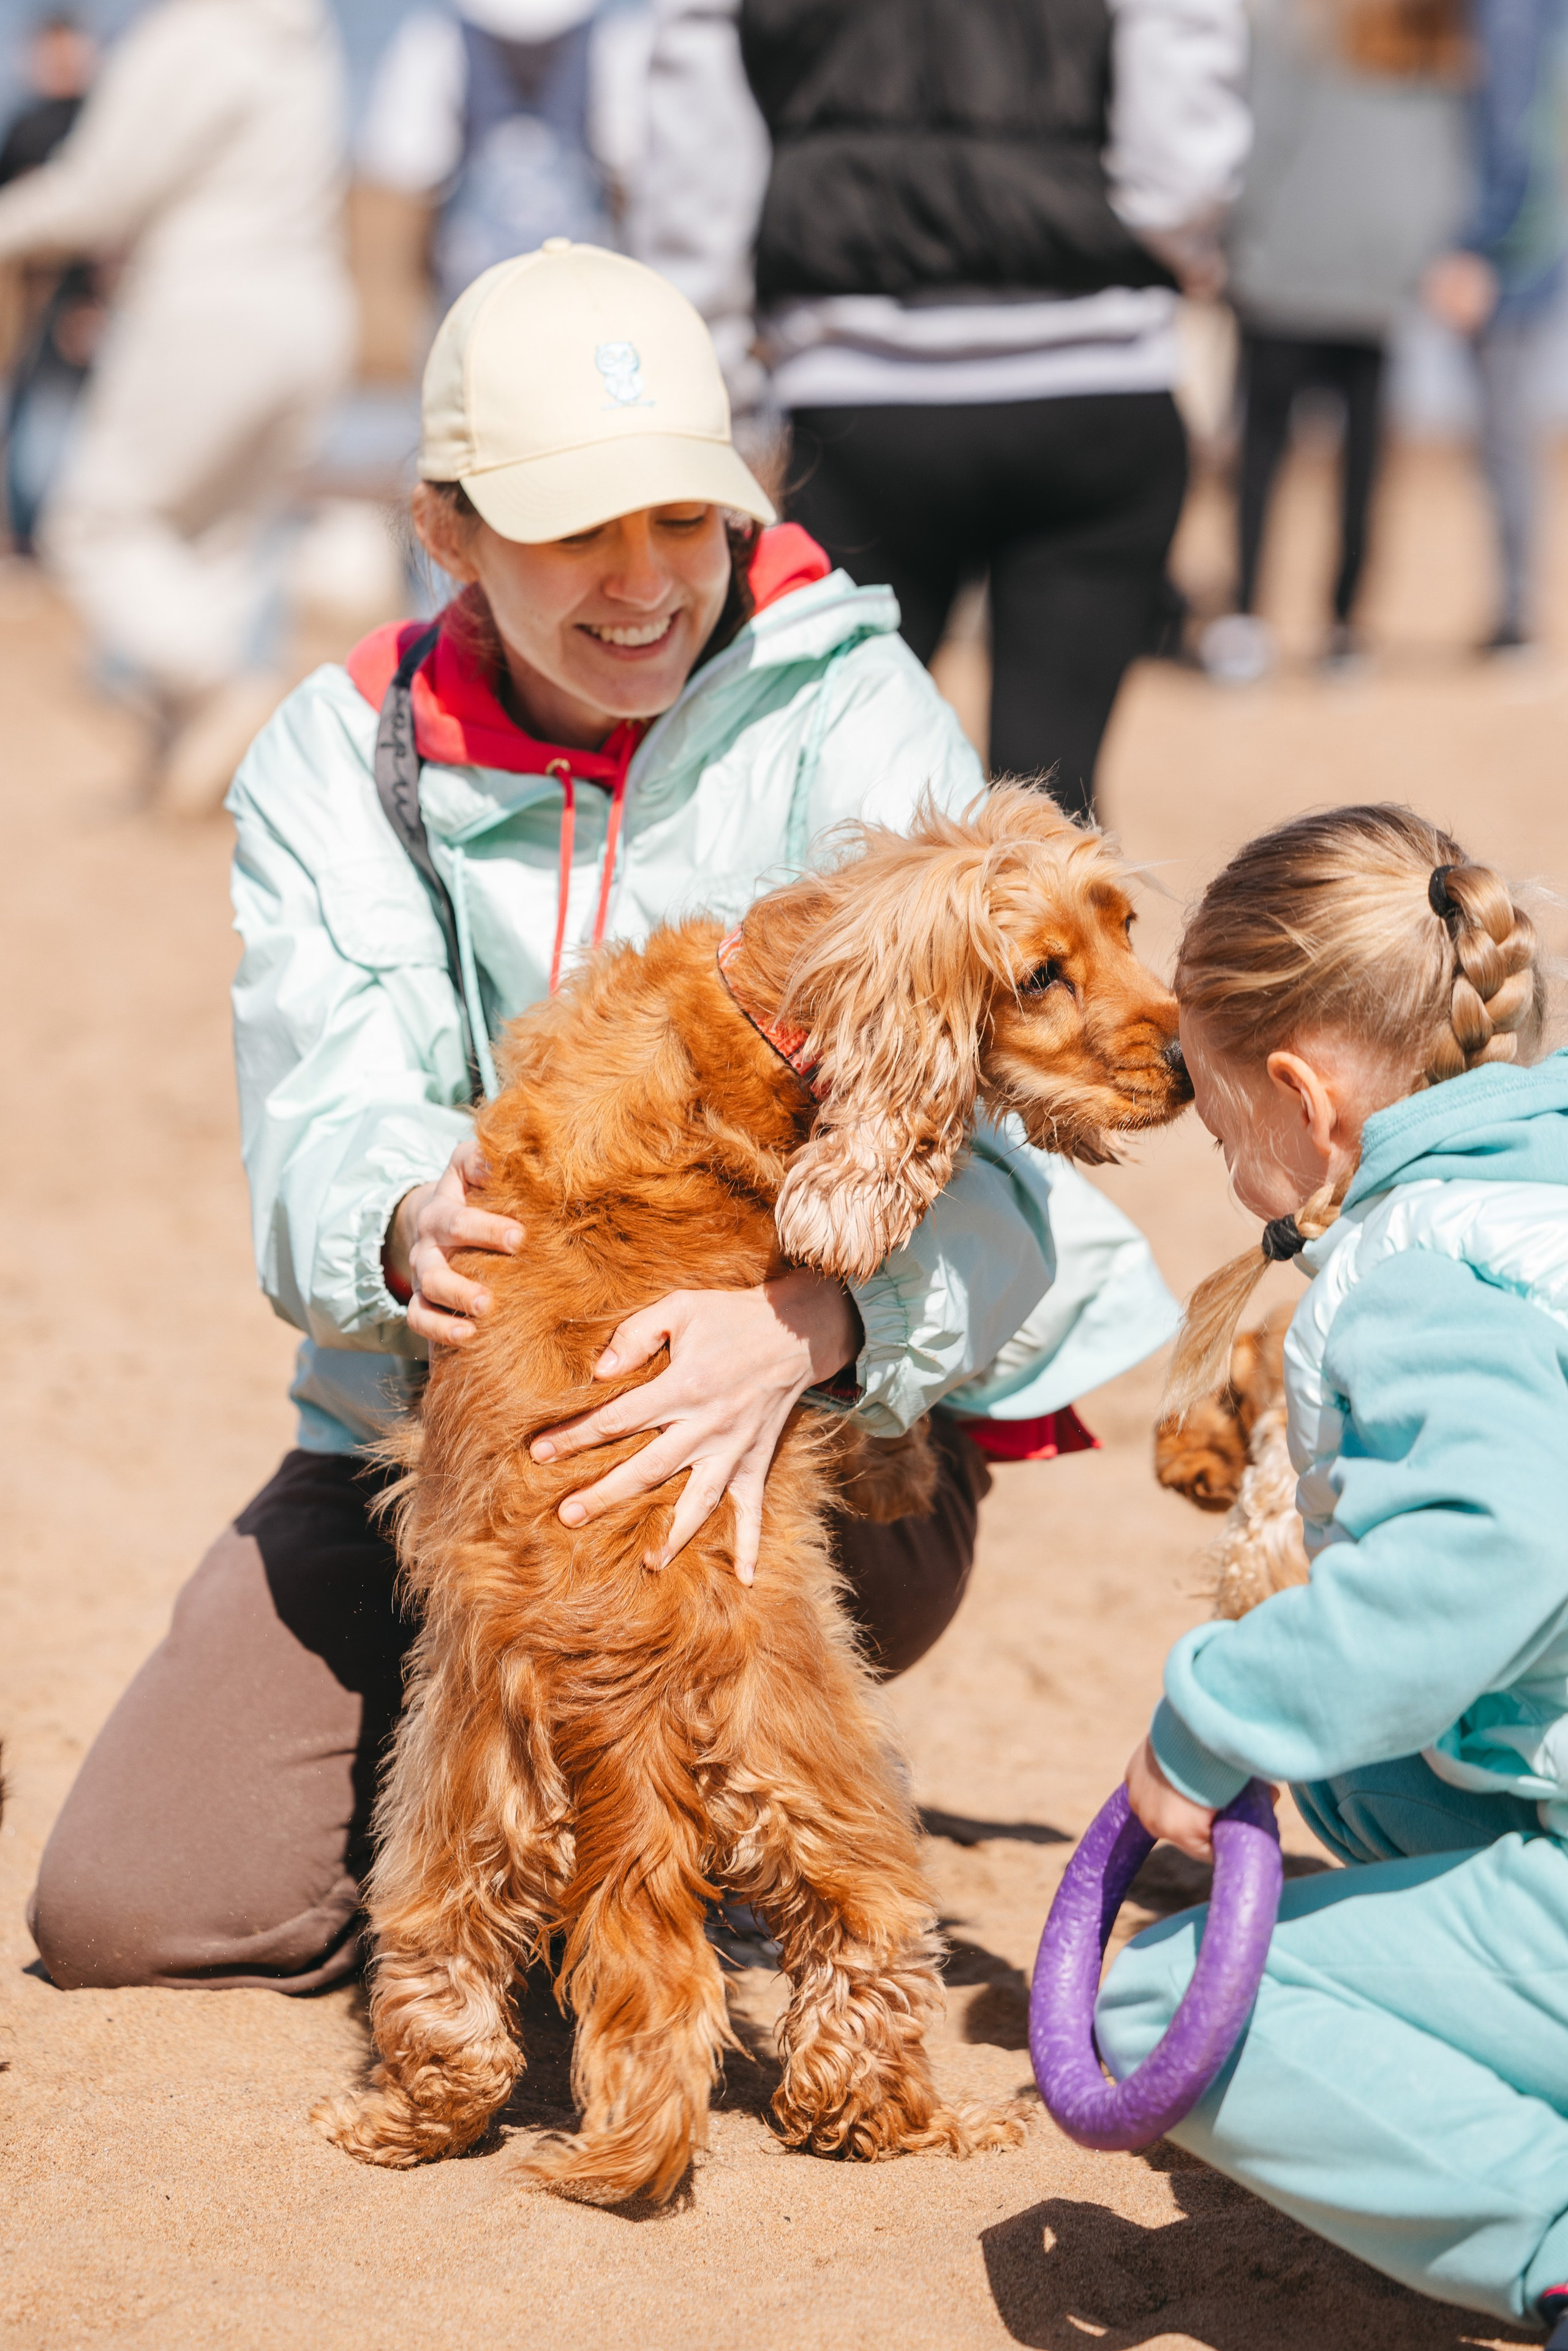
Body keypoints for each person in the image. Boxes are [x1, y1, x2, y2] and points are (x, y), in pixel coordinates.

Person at [27, 243, 1178, 1997]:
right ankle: (555, 1781)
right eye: (576, 531)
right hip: (461, 1415)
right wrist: (400, 1223)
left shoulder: (854, 707)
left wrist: (821, 1321)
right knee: (136, 1907)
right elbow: (322, 1114)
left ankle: (631, 1787)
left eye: (683, 521)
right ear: (447, 529)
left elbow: (1004, 1171)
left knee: (689, 1693)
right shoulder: (337, 762)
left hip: (806, 1426)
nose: (643, 583)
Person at [1095, 802, 1568, 2337]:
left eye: (1221, 1129)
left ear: (1298, 1096)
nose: (1229, 1165)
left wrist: (1212, 1712)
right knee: (1366, 1778)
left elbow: (1494, 1543)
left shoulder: (1427, 1262)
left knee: (1158, 2004)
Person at [632, 0, 1250, 821]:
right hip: (1094, 374)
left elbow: (695, 157)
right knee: (1050, 800)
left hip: (858, 400)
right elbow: (1184, 130)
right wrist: (1162, 238)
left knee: (853, 798)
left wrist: (719, 392)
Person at [0, 0, 355, 814]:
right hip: (315, 312)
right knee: (218, 544)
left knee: (91, 523)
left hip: (210, 308)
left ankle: (228, 684)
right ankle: (194, 760)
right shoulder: (306, 39)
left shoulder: (187, 41)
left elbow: (95, 195)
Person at [1200, 0, 1466, 685]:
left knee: (1261, 455)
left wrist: (1230, 241)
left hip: (1282, 273)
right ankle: (1345, 627)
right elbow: (1444, 172)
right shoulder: (1426, 38)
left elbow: (1256, 146)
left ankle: (1246, 621)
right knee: (1362, 463)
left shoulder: (1297, 34)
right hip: (1377, 281)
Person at [1423, 0, 1568, 655]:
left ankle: (1516, 615)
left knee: (1503, 440)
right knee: (1509, 437)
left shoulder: (1506, 14)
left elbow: (1513, 146)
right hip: (1537, 247)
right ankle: (1514, 609)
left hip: (1510, 260)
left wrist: (1474, 247)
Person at [357, 0, 654, 312]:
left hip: (587, 313)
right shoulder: (434, 44)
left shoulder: (616, 46)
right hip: (469, 313)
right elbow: (395, 202)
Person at [0, 12, 101, 552]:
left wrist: (98, 300)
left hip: (92, 305)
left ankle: (59, 545)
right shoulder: (23, 127)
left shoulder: (103, 121)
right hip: (36, 310)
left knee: (73, 436)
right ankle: (30, 544)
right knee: (32, 429)